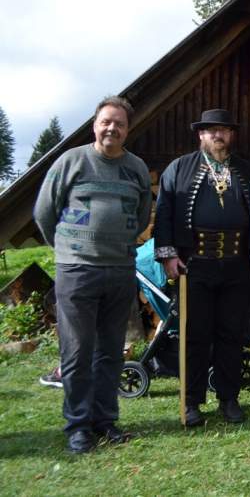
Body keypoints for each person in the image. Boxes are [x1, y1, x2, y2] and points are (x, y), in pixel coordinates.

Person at [34, 96, 151, 453]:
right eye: (106, 121)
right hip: (77, 271)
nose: (112, 128)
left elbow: (143, 214)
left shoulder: (136, 169)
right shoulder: (71, 162)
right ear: (95, 125)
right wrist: (70, 250)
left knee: (111, 352)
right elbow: (43, 213)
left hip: (119, 270)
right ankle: (78, 427)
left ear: (128, 130)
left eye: (119, 123)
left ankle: (105, 421)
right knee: (78, 350)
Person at [153, 108, 250, 427]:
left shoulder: (247, 171)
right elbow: (165, 213)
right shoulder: (179, 169)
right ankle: (191, 401)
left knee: (231, 334)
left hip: (237, 266)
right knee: (195, 334)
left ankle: (229, 399)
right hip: (194, 266)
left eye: (223, 129)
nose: (217, 135)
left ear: (231, 134)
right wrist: (169, 256)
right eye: (210, 130)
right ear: (200, 134)